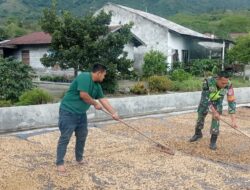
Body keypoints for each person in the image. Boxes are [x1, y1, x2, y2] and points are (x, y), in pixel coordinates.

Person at [56, 64, 119, 175]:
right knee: (65, 137)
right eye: (104, 75)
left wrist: (113, 113)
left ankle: (79, 158)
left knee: (82, 136)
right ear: (99, 73)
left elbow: (103, 99)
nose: (104, 77)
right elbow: (83, 95)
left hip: (81, 114)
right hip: (68, 112)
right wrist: (95, 103)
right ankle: (60, 163)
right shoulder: (85, 77)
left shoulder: (97, 86)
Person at [189, 70, 238, 150]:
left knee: (216, 120)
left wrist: (233, 121)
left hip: (217, 102)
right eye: (222, 83)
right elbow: (206, 99)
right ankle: (198, 134)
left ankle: (213, 140)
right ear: (217, 79)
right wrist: (214, 112)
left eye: (226, 82)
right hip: (206, 101)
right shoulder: (207, 82)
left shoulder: (228, 85)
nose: (224, 85)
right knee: (200, 116)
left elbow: (231, 101)